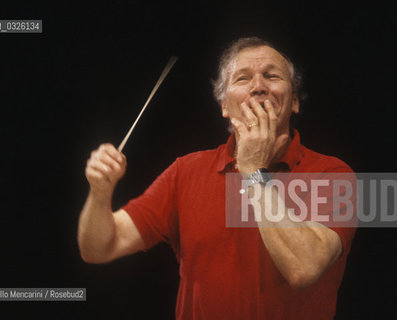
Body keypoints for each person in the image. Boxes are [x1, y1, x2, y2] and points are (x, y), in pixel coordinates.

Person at [78, 37, 356, 319]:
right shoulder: (185, 172)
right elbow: (99, 247)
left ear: (294, 100)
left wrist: (252, 170)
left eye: (271, 76)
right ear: (224, 105)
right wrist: (99, 194)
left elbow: (303, 268)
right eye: (243, 78)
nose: (258, 86)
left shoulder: (333, 175)